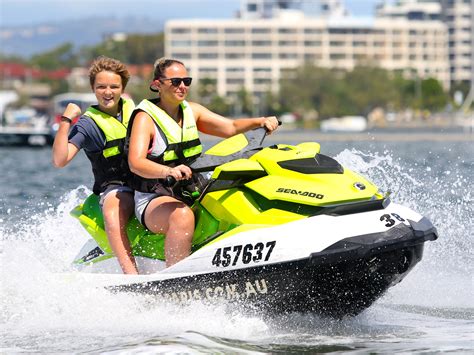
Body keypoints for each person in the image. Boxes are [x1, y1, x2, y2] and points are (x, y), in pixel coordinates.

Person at [128, 57, 279, 267]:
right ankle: (176, 282)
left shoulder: (193, 111)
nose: (182, 86)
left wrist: (260, 121)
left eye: (186, 81)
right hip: (153, 197)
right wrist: (167, 171)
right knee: (182, 216)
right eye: (175, 81)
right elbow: (136, 163)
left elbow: (231, 127)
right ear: (157, 84)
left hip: (191, 188)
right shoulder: (144, 118)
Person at [52, 56, 139, 274]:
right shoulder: (87, 125)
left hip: (148, 180)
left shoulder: (137, 111)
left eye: (113, 86)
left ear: (123, 88)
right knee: (112, 211)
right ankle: (132, 275)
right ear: (93, 88)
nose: (107, 92)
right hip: (118, 188)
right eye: (101, 86)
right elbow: (60, 160)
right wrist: (65, 120)